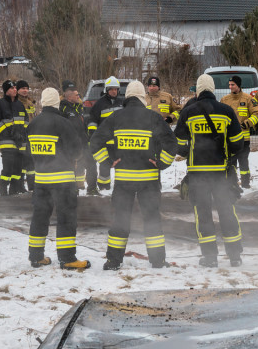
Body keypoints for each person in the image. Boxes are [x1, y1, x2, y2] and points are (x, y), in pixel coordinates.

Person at [90, 80, 176, 270]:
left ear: (127, 97)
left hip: (124, 180)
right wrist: (161, 162)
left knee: (121, 219)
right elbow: (171, 143)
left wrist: (108, 161)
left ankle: (113, 261)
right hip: (149, 181)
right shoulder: (153, 117)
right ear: (142, 97)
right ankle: (158, 261)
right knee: (152, 219)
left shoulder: (115, 117)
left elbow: (95, 142)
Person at [175, 74, 246, 267]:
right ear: (213, 90)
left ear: (198, 90)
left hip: (197, 174)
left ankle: (210, 257)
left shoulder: (188, 112)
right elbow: (237, 143)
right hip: (222, 173)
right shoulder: (226, 110)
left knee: (202, 214)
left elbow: (180, 147)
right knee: (227, 211)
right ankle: (234, 256)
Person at [26, 87, 91, 269]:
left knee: (39, 217)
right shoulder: (63, 123)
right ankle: (67, 258)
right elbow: (76, 151)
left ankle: (36, 256)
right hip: (62, 180)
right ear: (56, 102)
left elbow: (28, 153)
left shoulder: (33, 124)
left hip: (41, 180)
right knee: (66, 218)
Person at [86, 76, 124, 194]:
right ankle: (104, 185)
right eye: (111, 89)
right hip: (105, 141)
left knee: (121, 163)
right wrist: (93, 132)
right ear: (107, 90)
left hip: (119, 140)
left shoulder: (122, 103)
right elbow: (92, 119)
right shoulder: (99, 104)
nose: (114, 91)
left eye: (116, 89)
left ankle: (121, 185)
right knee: (105, 164)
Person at [221, 75, 258, 188]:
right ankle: (232, 184)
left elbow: (256, 115)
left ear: (238, 85)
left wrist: (247, 123)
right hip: (229, 139)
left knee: (243, 161)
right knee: (231, 162)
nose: (230, 87)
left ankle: (246, 184)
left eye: (233, 85)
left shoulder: (248, 99)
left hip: (244, 139)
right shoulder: (224, 100)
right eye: (229, 85)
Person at [0, 80, 24, 196]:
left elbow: (26, 121)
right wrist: (7, 131)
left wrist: (22, 134)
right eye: (12, 88)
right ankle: (3, 188)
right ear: (6, 91)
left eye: (15, 88)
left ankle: (14, 189)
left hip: (20, 141)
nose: (15, 89)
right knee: (8, 168)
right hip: (7, 141)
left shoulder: (20, 105)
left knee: (18, 168)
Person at [15, 80, 36, 190]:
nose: (25, 90)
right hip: (21, 136)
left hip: (31, 135)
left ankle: (32, 186)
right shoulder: (15, 102)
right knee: (21, 162)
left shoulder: (30, 103)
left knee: (31, 162)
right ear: (17, 90)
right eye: (23, 88)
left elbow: (33, 118)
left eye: (27, 88)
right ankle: (20, 186)